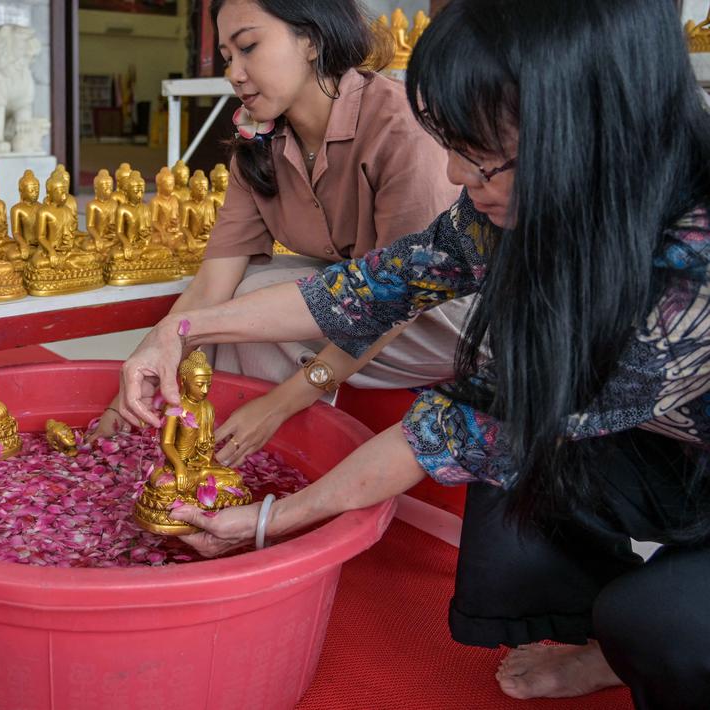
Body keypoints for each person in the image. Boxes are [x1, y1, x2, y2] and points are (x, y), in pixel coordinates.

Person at [118, 0, 710, 706]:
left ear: (587, 127)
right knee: (519, 465)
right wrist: (177, 334)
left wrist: (270, 519)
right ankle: (600, 644)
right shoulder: (539, 187)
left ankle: (636, 636)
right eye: (453, 146)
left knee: (658, 624)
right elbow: (374, 284)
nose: (457, 177)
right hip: (662, 443)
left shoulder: (688, 266)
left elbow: (458, 428)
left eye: (481, 155)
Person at [94, 0, 468, 468]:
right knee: (238, 300)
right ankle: (192, 457)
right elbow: (213, 284)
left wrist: (277, 405)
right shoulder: (259, 143)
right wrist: (122, 397)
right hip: (352, 299)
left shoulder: (399, 128)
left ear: (311, 40)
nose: (235, 72)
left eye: (249, 47)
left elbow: (396, 300)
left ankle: (264, 467)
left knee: (259, 302)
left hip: (441, 317)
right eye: (228, 57)